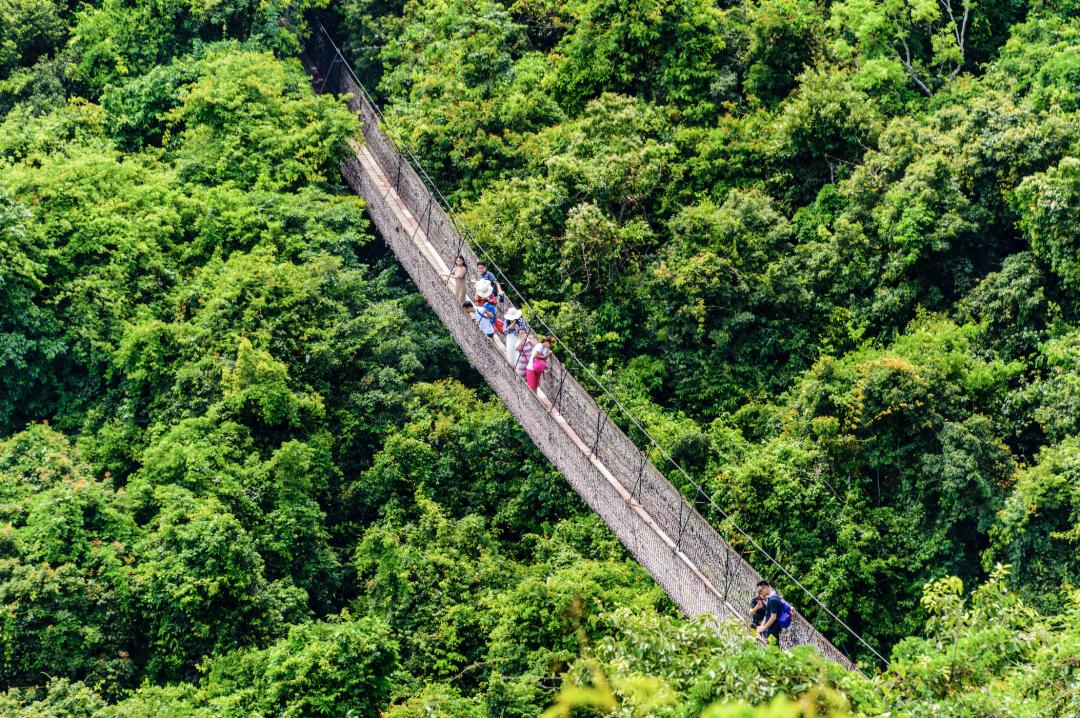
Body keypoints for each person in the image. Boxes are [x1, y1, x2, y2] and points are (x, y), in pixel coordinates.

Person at [755, 580, 783, 645]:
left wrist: (763, 628)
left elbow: (773, 617)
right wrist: (761, 626)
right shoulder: (771, 598)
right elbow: (767, 615)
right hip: (770, 629)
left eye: (760, 591)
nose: (760, 594)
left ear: (765, 588)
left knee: (774, 651)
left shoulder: (773, 599)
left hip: (773, 630)